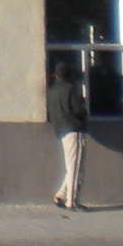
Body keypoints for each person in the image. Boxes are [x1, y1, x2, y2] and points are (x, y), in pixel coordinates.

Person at [47, 56, 89, 210]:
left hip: (61, 130)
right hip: (74, 129)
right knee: (76, 168)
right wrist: (84, 105)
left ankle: (61, 195)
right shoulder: (71, 89)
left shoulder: (52, 91)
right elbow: (78, 109)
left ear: (56, 75)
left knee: (71, 166)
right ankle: (72, 202)